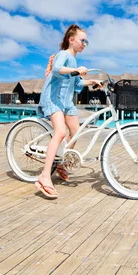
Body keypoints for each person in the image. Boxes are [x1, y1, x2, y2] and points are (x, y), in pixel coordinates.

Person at [35, 24, 103, 198]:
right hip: (54, 99)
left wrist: (92, 81)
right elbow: (57, 69)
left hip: (66, 102)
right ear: (71, 40)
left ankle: (60, 163)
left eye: (86, 41)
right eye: (83, 40)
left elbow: (77, 83)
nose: (85, 44)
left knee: (76, 132)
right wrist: (75, 70)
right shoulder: (64, 55)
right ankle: (44, 176)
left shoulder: (73, 60)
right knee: (60, 133)